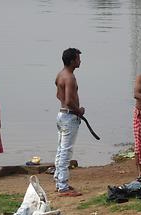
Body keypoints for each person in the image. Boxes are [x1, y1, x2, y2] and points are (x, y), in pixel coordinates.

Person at [54, 48, 84, 197]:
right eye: (78, 58)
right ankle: (63, 187)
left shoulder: (60, 74)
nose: (80, 61)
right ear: (72, 61)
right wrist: (79, 110)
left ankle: (59, 181)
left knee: (61, 150)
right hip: (69, 117)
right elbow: (68, 100)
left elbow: (58, 95)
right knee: (66, 151)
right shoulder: (70, 77)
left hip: (62, 114)